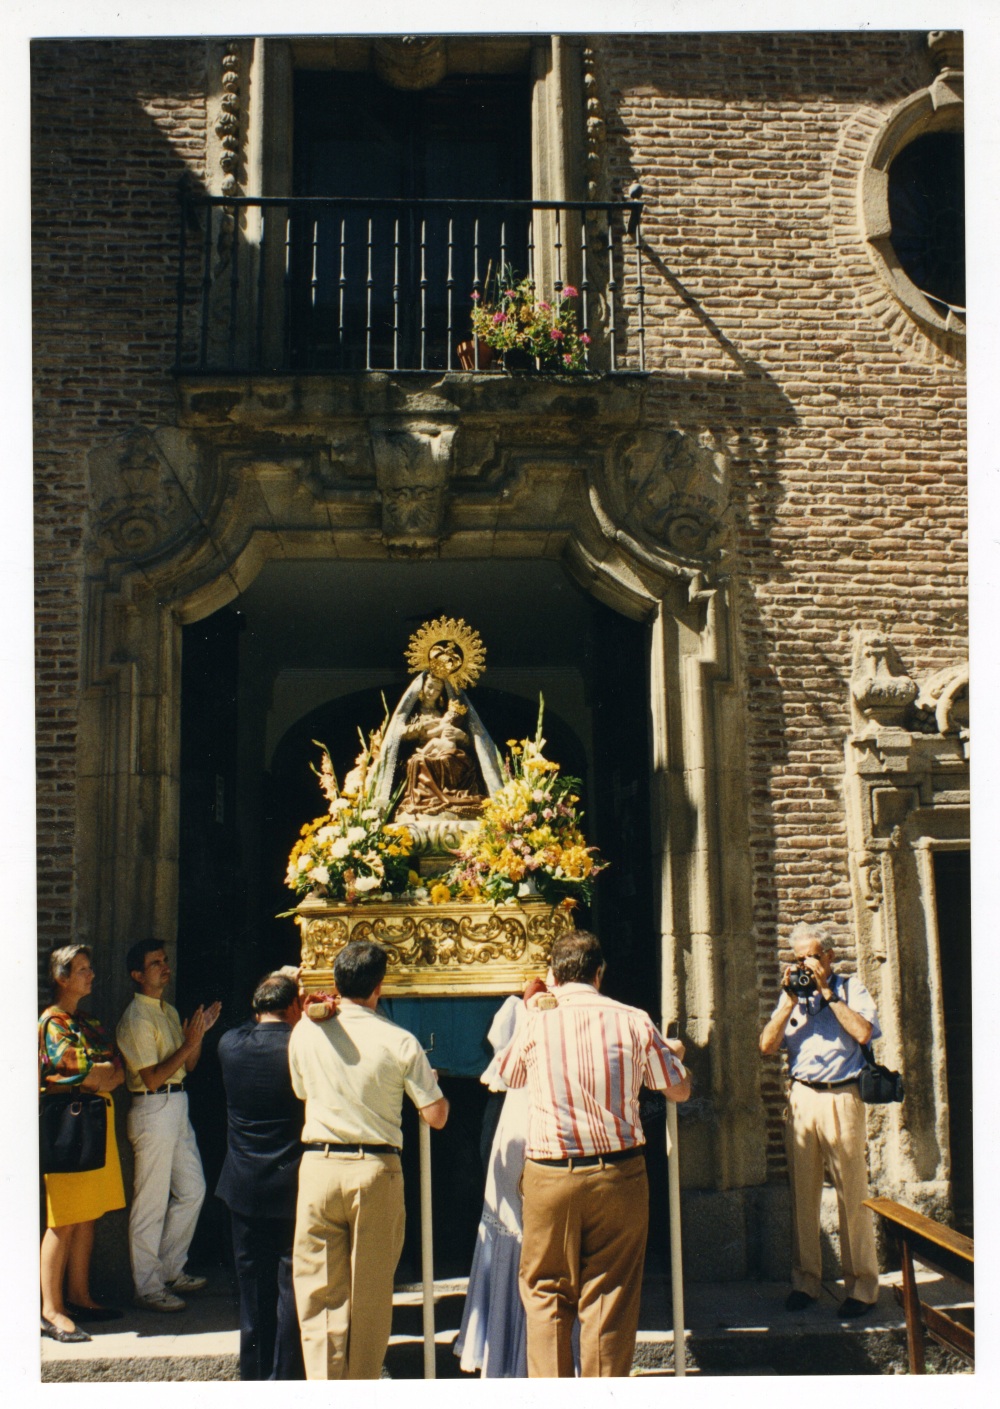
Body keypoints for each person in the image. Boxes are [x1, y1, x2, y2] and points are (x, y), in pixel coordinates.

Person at [498, 930, 690, 1377]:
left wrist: (532, 1010)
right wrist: (674, 1056)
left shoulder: (537, 1022)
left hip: (551, 1175)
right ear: (599, 973)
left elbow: (509, 1076)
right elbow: (677, 1088)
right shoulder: (633, 1019)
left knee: (546, 1293)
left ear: (555, 975)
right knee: (609, 1295)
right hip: (617, 1175)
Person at [288, 939, 450, 1379]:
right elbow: (435, 1116)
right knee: (371, 1292)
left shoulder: (305, 1030)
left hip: (319, 1164)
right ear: (379, 986)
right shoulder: (399, 1040)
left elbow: (302, 1091)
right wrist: (431, 1085)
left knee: (319, 1293)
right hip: (375, 1170)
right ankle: (360, 1388)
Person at [759, 920, 881, 1318]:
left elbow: (863, 1033)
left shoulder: (850, 988)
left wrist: (828, 994)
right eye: (798, 959)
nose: (805, 965)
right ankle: (806, 1281)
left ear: (828, 956)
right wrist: (790, 1001)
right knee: (803, 1194)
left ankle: (862, 1286)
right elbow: (766, 1045)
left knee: (852, 1194)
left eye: (811, 956)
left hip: (842, 1096)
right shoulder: (792, 995)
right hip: (802, 1097)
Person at [116, 940, 221, 1312]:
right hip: (153, 1106)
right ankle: (147, 1287)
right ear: (137, 975)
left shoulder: (168, 1010)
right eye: (155, 963)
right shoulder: (136, 1018)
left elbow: (187, 1067)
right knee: (150, 1202)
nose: (164, 966)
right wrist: (190, 1040)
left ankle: (170, 1270)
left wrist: (199, 1036)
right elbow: (154, 1078)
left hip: (177, 1103)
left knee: (193, 1190)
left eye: (164, 961)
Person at [216, 971, 307, 1380]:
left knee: (252, 1289)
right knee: (291, 1287)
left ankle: (253, 1379)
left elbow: (250, 1021)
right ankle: (286, 1378)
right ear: (293, 1007)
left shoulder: (230, 1045)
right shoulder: (302, 1047)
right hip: (292, 1184)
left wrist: (277, 981)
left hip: (246, 1184)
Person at [39, 944, 127, 1343]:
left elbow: (116, 1067)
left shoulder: (85, 1020)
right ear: (61, 977)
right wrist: (98, 1073)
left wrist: (99, 1073)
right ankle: (50, 1310)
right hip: (69, 1128)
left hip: (93, 1123)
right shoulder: (52, 1022)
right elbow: (73, 1067)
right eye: (82, 969)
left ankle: (79, 1295)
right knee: (64, 1219)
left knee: (87, 1213)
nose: (91, 975)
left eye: (90, 968)